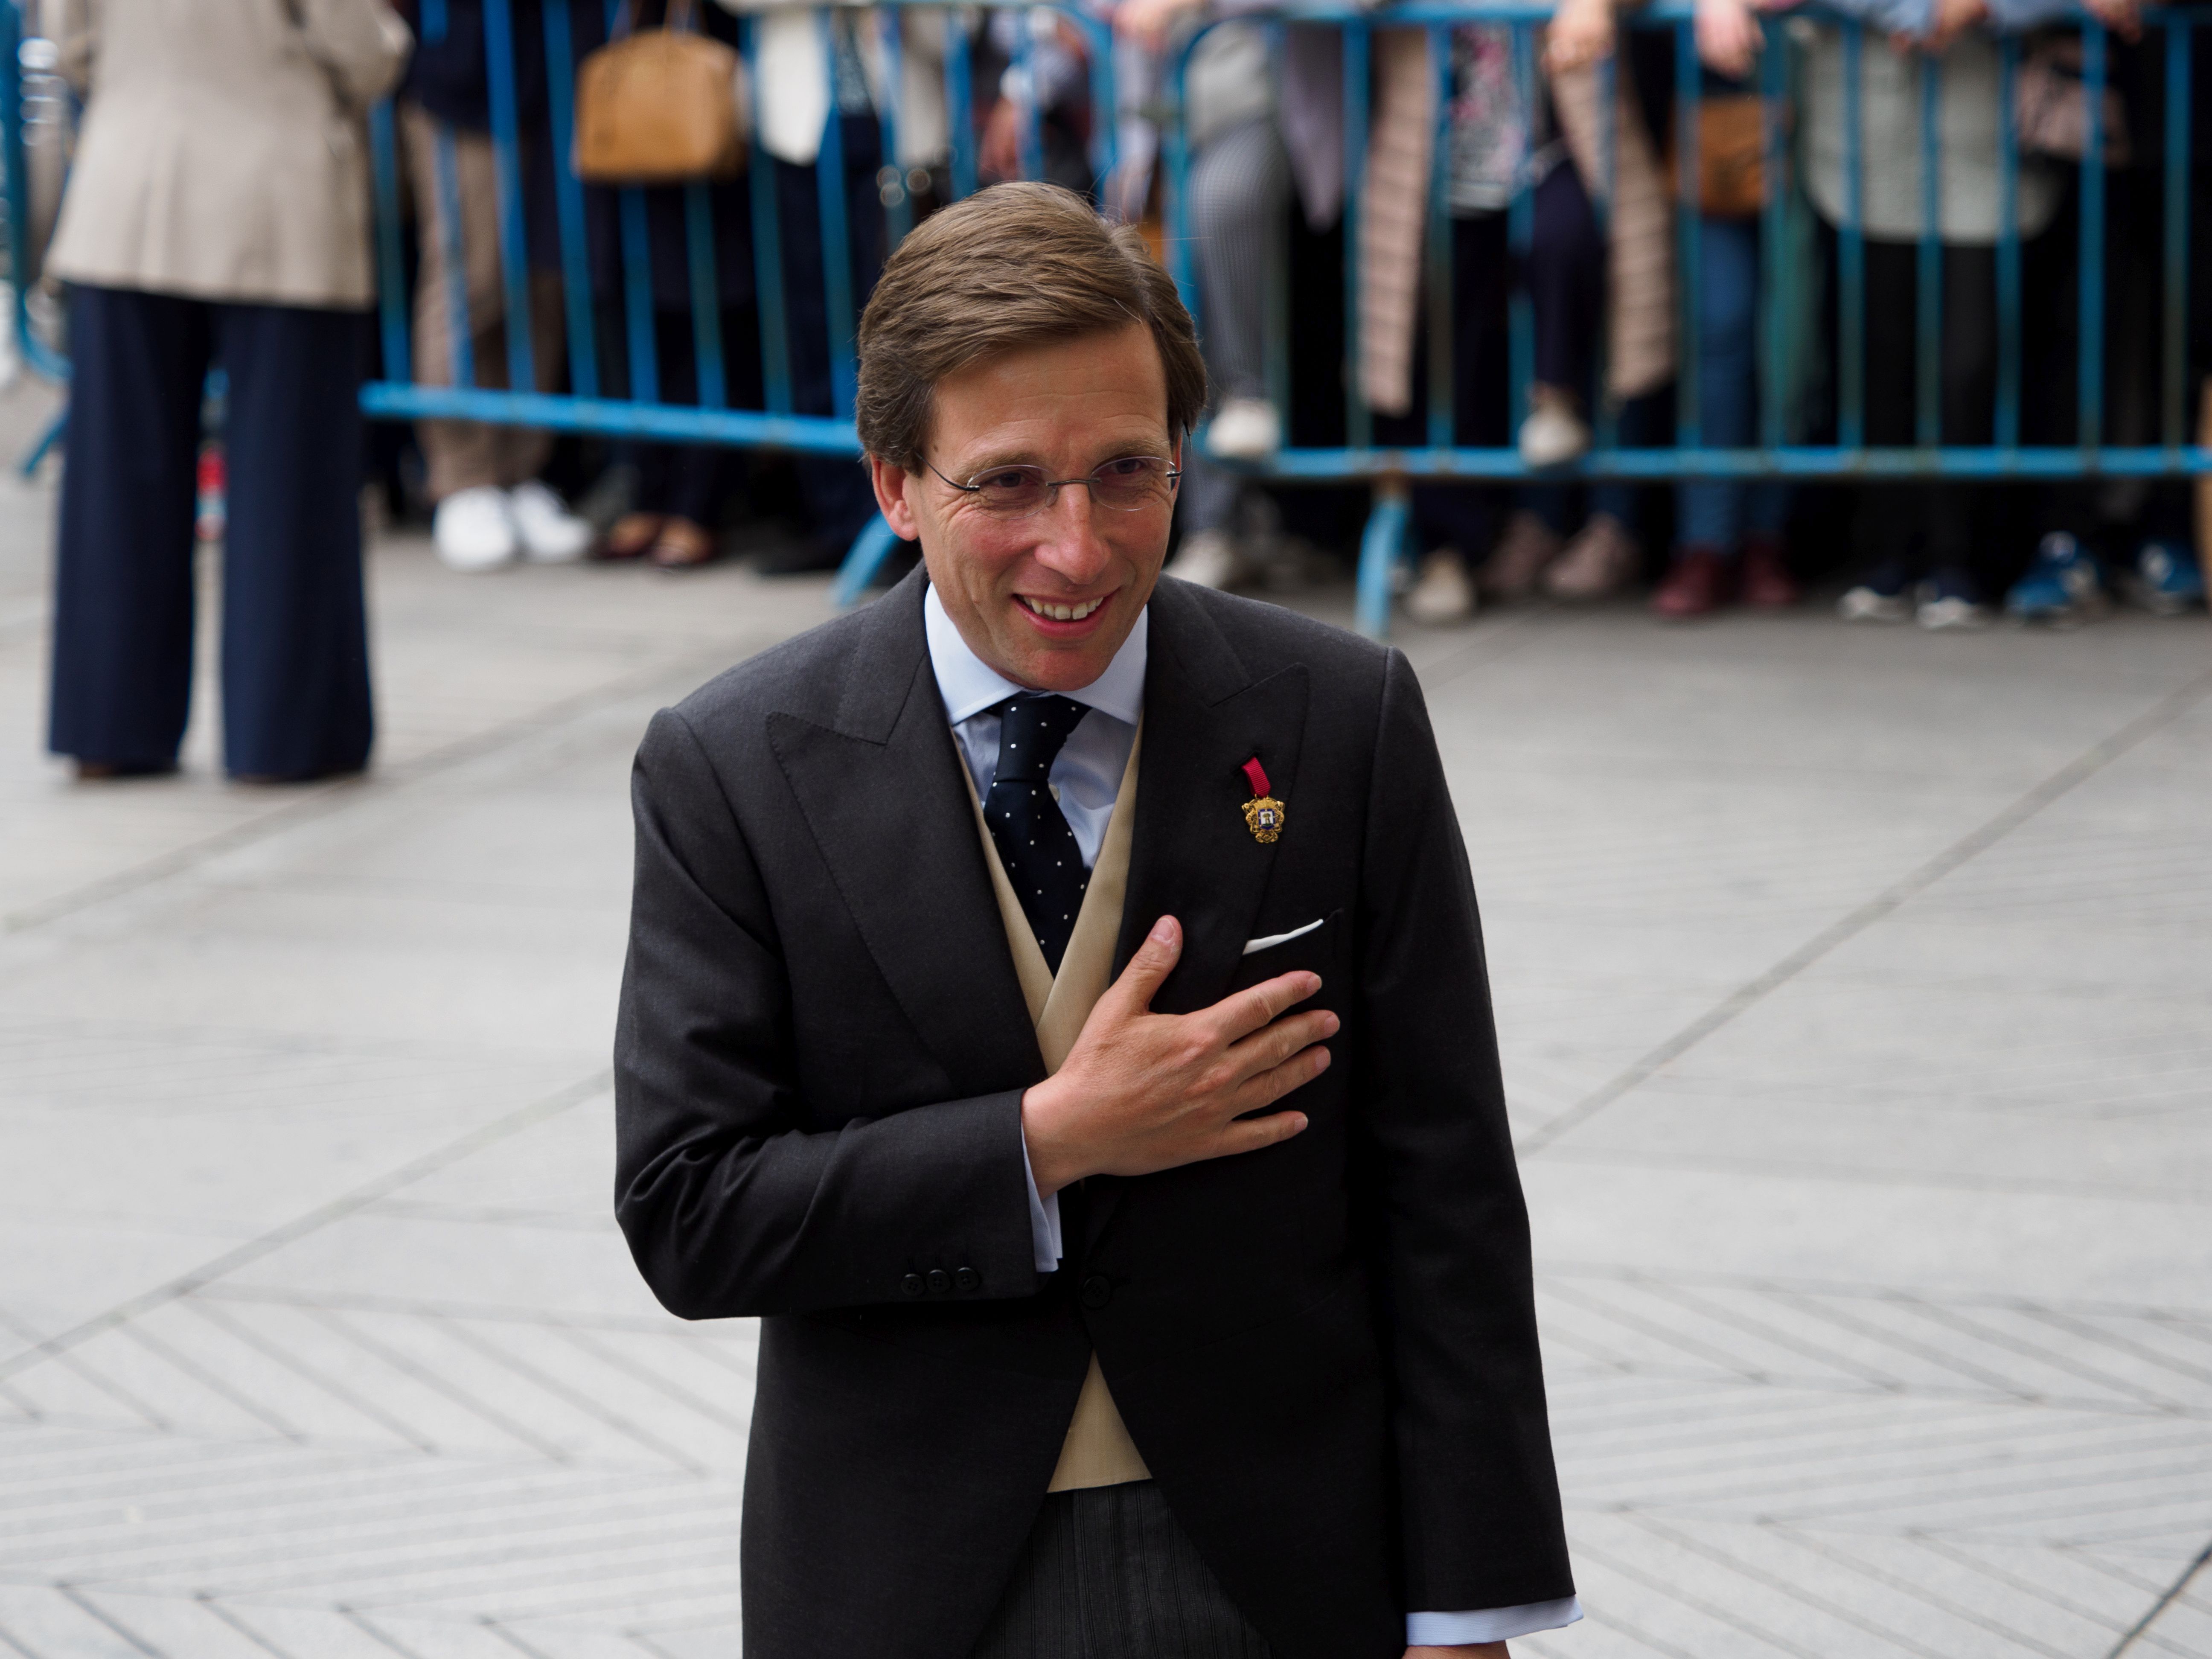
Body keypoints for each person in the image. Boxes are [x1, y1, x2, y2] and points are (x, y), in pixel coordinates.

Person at [614, 182, 1578, 1659]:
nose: (1078, 547)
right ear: (893, 483)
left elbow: (1443, 1186)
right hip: (911, 1578)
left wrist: (1470, 1596)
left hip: (1285, 1557)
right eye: (1005, 485)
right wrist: (1042, 1141)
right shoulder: (734, 764)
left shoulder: (1341, 716)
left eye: (1126, 471)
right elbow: (693, 1210)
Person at [44, 0, 410, 781]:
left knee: (117, 479)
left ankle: (109, 726)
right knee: (289, 479)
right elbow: (356, 45)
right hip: (275, 174)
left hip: (129, 174)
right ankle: (287, 733)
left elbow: (70, 43)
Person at [395, 0, 594, 573]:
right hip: (459, 69)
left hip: (550, 64)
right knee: (471, 276)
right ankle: (462, 478)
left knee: (543, 282)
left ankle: (519, 471)